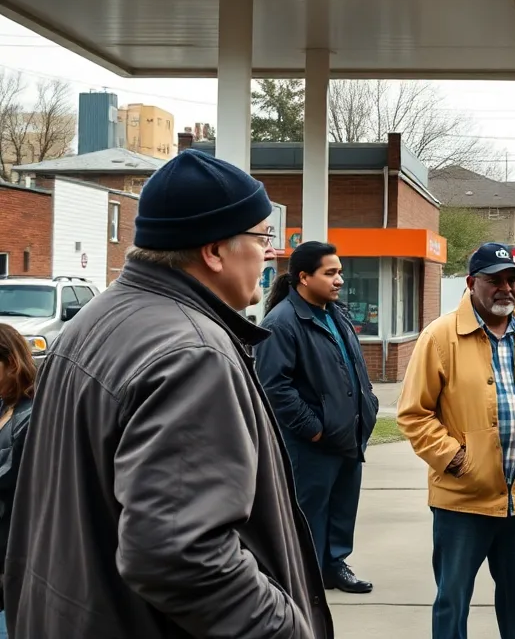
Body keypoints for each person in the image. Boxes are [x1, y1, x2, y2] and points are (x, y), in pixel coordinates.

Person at [3, 149, 331, 639]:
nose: (270, 254)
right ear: (215, 251)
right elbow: (179, 554)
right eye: (262, 238)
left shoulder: (96, 319)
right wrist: (285, 630)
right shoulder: (192, 354)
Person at [398, 242, 515, 639]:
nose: (506, 288)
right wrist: (457, 459)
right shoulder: (440, 337)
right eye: (495, 280)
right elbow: (414, 412)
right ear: (472, 283)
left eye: (512, 279)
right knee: (452, 604)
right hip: (462, 501)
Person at [258, 241, 379, 595]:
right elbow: (274, 386)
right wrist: (312, 430)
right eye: (331, 273)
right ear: (304, 277)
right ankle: (306, 575)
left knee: (342, 507)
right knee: (310, 513)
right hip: (312, 442)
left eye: (339, 272)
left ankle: (334, 566)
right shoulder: (281, 323)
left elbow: (354, 369)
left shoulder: (335, 313)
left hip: (347, 435)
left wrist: (367, 405)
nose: (339, 279)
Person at [0, 324, 35, 639]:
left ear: (12, 363)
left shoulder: (30, 417)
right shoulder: (3, 406)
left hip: (11, 548)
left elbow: (12, 478)